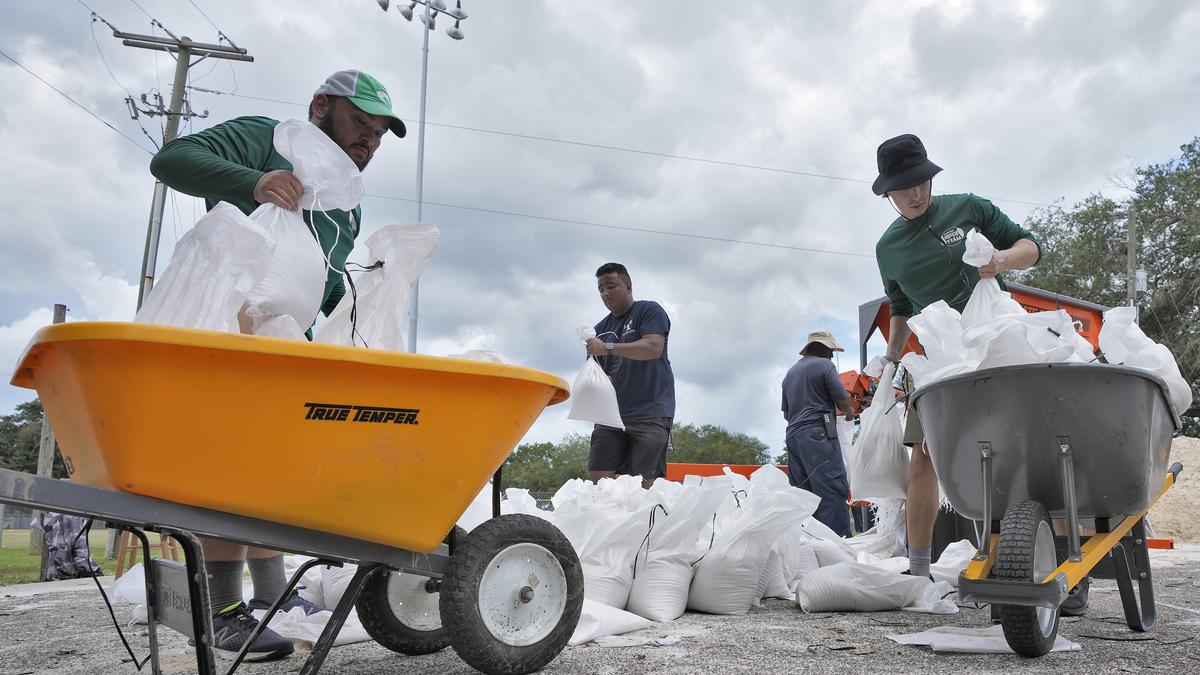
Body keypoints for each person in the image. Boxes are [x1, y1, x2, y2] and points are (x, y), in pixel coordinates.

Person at [149, 69, 406, 660]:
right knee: (229, 461)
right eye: (358, 125)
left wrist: (368, 309)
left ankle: (274, 593)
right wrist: (255, 180)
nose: (366, 143)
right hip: (229, 324)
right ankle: (220, 607)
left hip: (291, 345)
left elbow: (327, 286)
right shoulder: (270, 138)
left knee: (271, 468)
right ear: (321, 108)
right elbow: (173, 161)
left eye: (376, 136)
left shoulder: (345, 205)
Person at [869, 133, 1096, 614]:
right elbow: (902, 307)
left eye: (922, 181)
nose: (917, 193)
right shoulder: (888, 248)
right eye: (905, 187)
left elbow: (1030, 247)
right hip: (937, 359)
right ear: (886, 191)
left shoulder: (967, 207)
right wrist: (890, 363)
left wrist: (1000, 261)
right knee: (925, 456)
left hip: (997, 341)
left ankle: (1069, 570)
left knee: (1041, 445)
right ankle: (918, 569)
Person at [583, 262, 675, 488]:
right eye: (601, 289)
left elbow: (653, 348)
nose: (606, 293)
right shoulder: (599, 329)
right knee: (598, 480)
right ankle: (604, 521)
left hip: (650, 412)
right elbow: (597, 375)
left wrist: (609, 347)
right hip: (610, 415)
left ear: (628, 287)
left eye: (611, 286)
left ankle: (645, 522)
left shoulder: (649, 311)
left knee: (643, 484)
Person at [781, 330, 857, 537]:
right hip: (818, 433)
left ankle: (809, 545)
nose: (832, 356)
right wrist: (851, 414)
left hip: (794, 437)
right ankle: (839, 547)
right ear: (822, 348)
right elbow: (842, 401)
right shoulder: (825, 365)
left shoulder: (790, 374)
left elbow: (787, 414)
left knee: (804, 494)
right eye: (831, 351)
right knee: (831, 489)